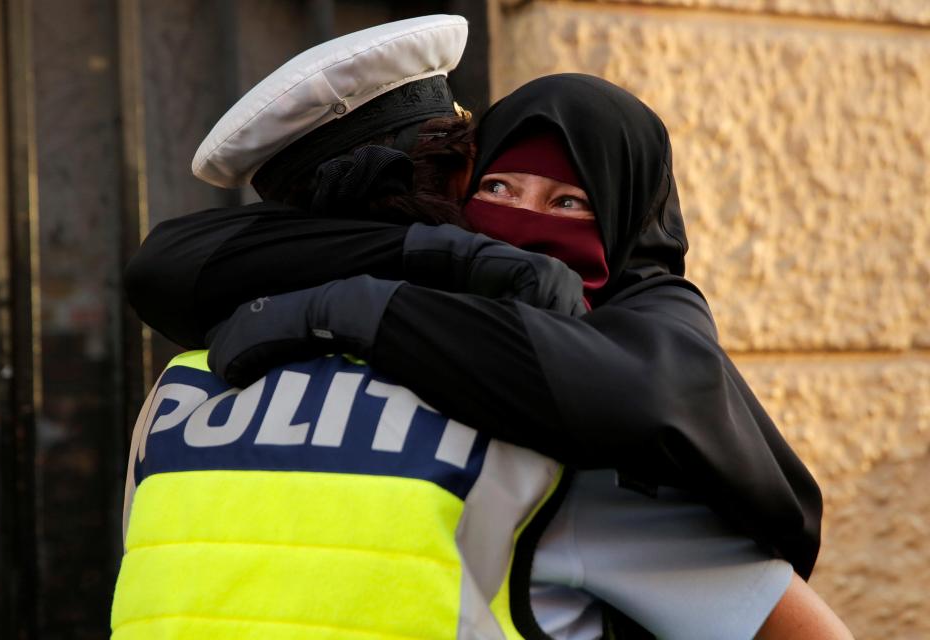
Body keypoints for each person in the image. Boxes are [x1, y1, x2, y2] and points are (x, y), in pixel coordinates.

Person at [118, 16, 851, 640]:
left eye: (567, 202)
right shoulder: (547, 422)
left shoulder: (182, 387)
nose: (519, 226)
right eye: (495, 187)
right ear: (455, 188)